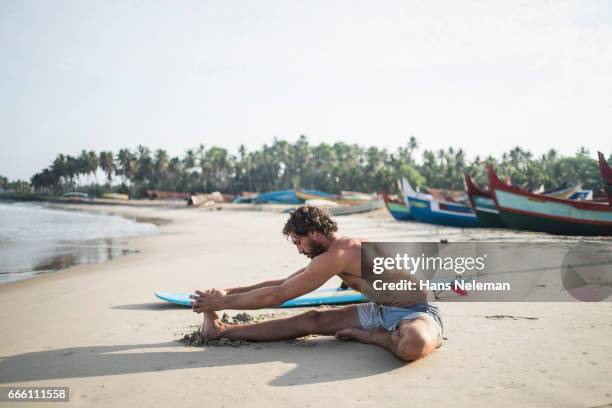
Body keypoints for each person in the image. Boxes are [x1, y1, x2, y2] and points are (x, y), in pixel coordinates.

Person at [190, 205, 443, 361]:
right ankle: (221, 331)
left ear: (314, 232)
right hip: (379, 310)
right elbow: (283, 283)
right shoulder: (331, 255)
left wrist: (222, 301)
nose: (299, 249)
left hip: (416, 311)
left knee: (413, 345)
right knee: (311, 319)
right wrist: (227, 293)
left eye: (298, 242)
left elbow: (277, 296)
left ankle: (373, 338)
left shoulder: (340, 254)